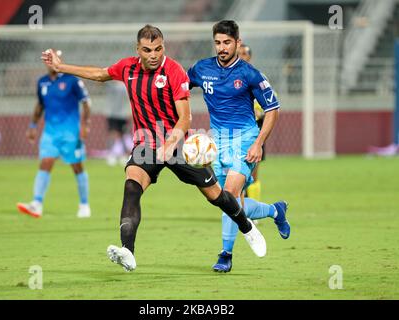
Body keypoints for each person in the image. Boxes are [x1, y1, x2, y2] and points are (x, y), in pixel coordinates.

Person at [40, 24, 266, 272]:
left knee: (216, 196)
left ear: (163, 47)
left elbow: (185, 118)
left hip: (178, 144)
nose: (153, 55)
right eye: (147, 50)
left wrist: (170, 143)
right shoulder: (127, 67)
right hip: (146, 144)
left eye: (158, 49)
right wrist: (60, 67)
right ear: (138, 49)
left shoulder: (175, 71)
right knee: (131, 186)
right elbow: (99, 74)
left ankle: (246, 226)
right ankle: (128, 251)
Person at [187, 20, 291, 273]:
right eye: (218, 43)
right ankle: (274, 211)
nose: (222, 48)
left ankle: (226, 255)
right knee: (230, 204)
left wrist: (258, 143)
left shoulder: (249, 74)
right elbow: (178, 90)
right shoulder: (202, 69)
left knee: (230, 195)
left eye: (227, 43)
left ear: (237, 42)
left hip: (245, 139)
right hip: (217, 142)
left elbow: (273, 109)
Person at [17, 50, 92, 219]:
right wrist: (33, 125)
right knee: (45, 163)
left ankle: (84, 204)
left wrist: (85, 124)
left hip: (71, 133)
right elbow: (40, 105)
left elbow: (86, 102)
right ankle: (36, 203)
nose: (51, 62)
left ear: (59, 60)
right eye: (48, 60)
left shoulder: (72, 80)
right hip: (50, 132)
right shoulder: (42, 82)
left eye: (54, 59)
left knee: (77, 167)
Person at [239, 44, 264, 201]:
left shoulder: (258, 77)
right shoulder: (228, 76)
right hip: (235, 131)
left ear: (250, 56)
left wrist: (259, 112)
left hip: (255, 130)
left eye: (244, 53)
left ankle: (253, 208)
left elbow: (270, 104)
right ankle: (239, 208)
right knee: (234, 171)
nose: (241, 56)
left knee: (253, 172)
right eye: (239, 53)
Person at [105, 80, 133, 166]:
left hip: (122, 114)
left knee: (121, 135)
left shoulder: (125, 86)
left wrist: (129, 112)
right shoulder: (111, 85)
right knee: (113, 134)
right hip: (112, 113)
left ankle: (122, 155)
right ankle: (112, 154)